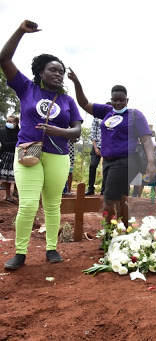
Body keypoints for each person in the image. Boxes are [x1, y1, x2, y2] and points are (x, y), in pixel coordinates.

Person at [1, 20, 83, 269]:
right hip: (29, 152)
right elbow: (4, 59)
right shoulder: (26, 88)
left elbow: (77, 131)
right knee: (26, 203)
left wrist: (58, 130)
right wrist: (20, 32)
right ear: (40, 73)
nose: (58, 74)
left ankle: (51, 248)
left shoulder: (68, 100)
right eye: (52, 70)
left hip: (58, 156)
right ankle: (21, 252)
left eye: (60, 71)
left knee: (52, 205)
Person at [68, 70, 156, 228]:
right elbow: (83, 103)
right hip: (108, 161)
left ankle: (108, 235)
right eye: (115, 100)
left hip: (125, 161)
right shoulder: (107, 111)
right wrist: (76, 83)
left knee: (108, 200)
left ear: (127, 100)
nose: (118, 103)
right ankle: (125, 231)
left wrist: (151, 162)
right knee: (121, 199)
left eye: (122, 100)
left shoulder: (135, 115)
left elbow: (146, 140)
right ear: (111, 100)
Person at [0, 114, 19, 202]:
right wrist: (17, 143)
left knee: (17, 176)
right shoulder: (3, 131)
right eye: (7, 121)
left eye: (10, 122)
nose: (8, 123)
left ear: (16, 123)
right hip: (6, 156)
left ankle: (16, 191)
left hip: (17, 155)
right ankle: (8, 195)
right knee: (6, 177)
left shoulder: (19, 132)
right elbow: (4, 143)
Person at [85, 117, 105, 195]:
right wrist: (96, 148)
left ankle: (104, 190)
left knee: (106, 168)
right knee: (92, 165)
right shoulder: (96, 119)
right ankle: (90, 188)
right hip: (96, 146)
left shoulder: (112, 118)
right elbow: (93, 134)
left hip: (107, 147)